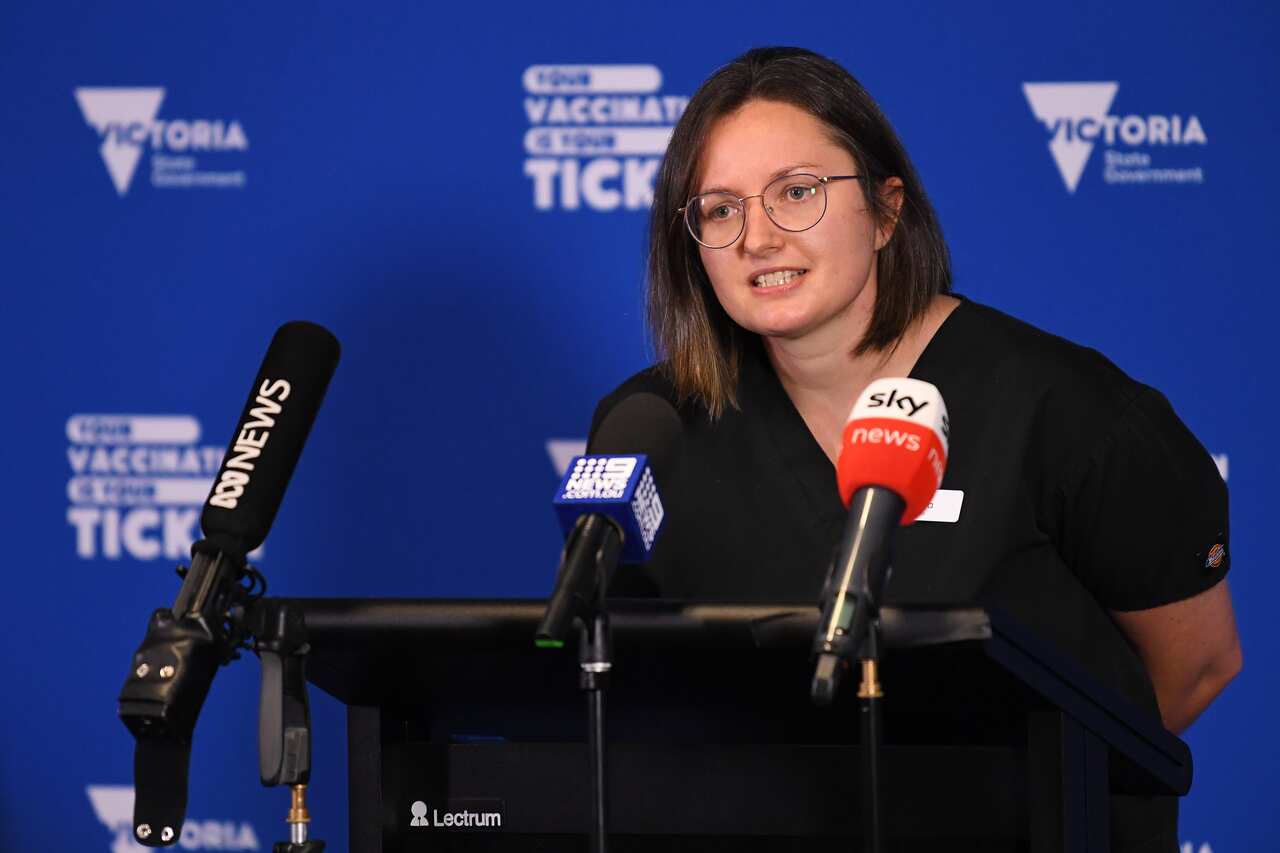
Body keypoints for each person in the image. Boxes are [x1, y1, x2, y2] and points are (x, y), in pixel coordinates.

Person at [592, 47, 1241, 851]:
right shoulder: (651, 426)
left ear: (886, 210)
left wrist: (1007, 797)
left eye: (796, 192)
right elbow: (630, 690)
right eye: (720, 209)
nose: (757, 236)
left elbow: (1197, 666)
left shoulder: (1062, 406)